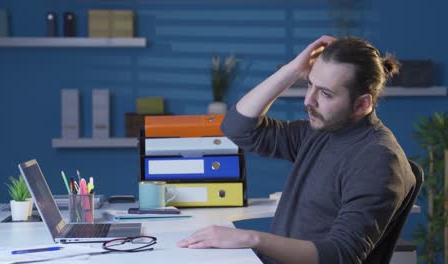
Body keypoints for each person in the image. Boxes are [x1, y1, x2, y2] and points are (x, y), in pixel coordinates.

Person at [177, 35, 417, 264]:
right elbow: (237, 127)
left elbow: (341, 255)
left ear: (362, 104)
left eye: (325, 93)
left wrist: (251, 238)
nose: (308, 101)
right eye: (309, 84)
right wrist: (293, 70)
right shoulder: (320, 131)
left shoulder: (378, 159)